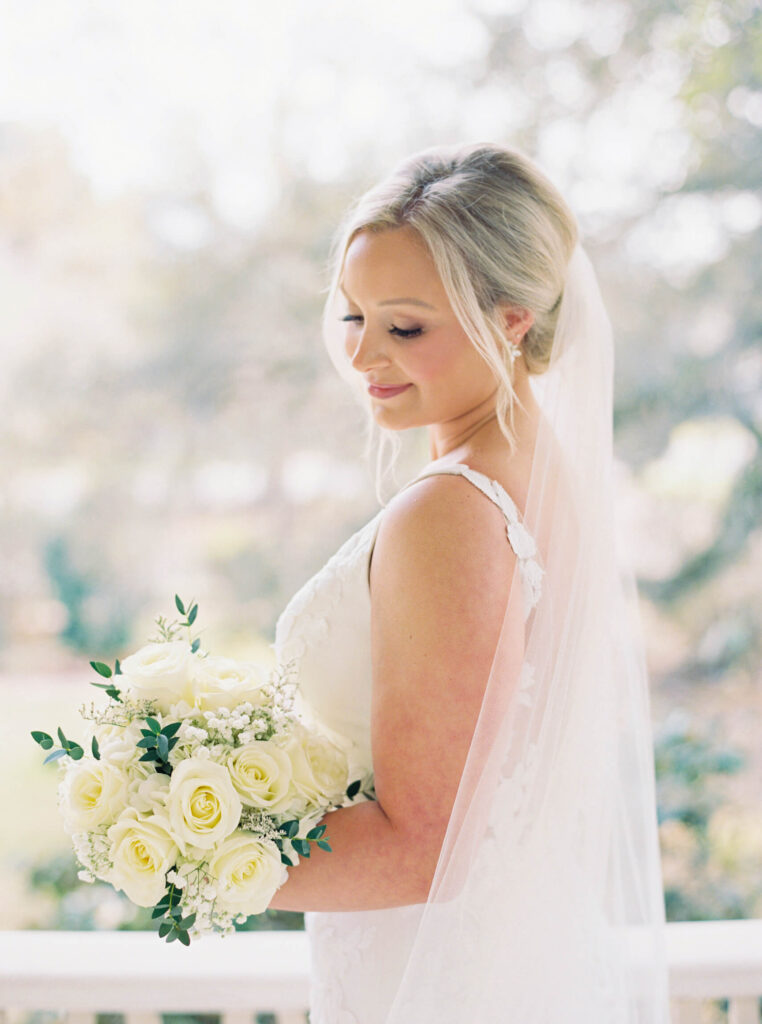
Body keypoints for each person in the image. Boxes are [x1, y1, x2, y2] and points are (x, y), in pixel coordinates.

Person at [268, 142, 672, 1024]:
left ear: (514, 319)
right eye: (353, 315)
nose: (366, 353)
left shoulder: (450, 512)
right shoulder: (546, 477)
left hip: (430, 983)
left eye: (405, 326)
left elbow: (422, 845)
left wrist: (190, 851)